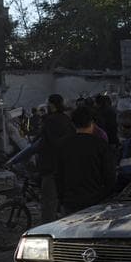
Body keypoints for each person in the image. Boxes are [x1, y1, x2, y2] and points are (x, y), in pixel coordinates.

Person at [57, 105, 116, 213]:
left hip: (71, 202)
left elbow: (58, 175)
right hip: (95, 202)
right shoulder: (101, 145)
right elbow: (110, 177)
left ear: (73, 123)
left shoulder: (63, 145)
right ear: (92, 123)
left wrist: (62, 199)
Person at [37, 94, 76, 222]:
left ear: (51, 105)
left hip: (50, 166)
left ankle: (46, 230)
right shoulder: (66, 119)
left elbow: (49, 143)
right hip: (65, 164)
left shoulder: (49, 121)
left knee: (48, 201)